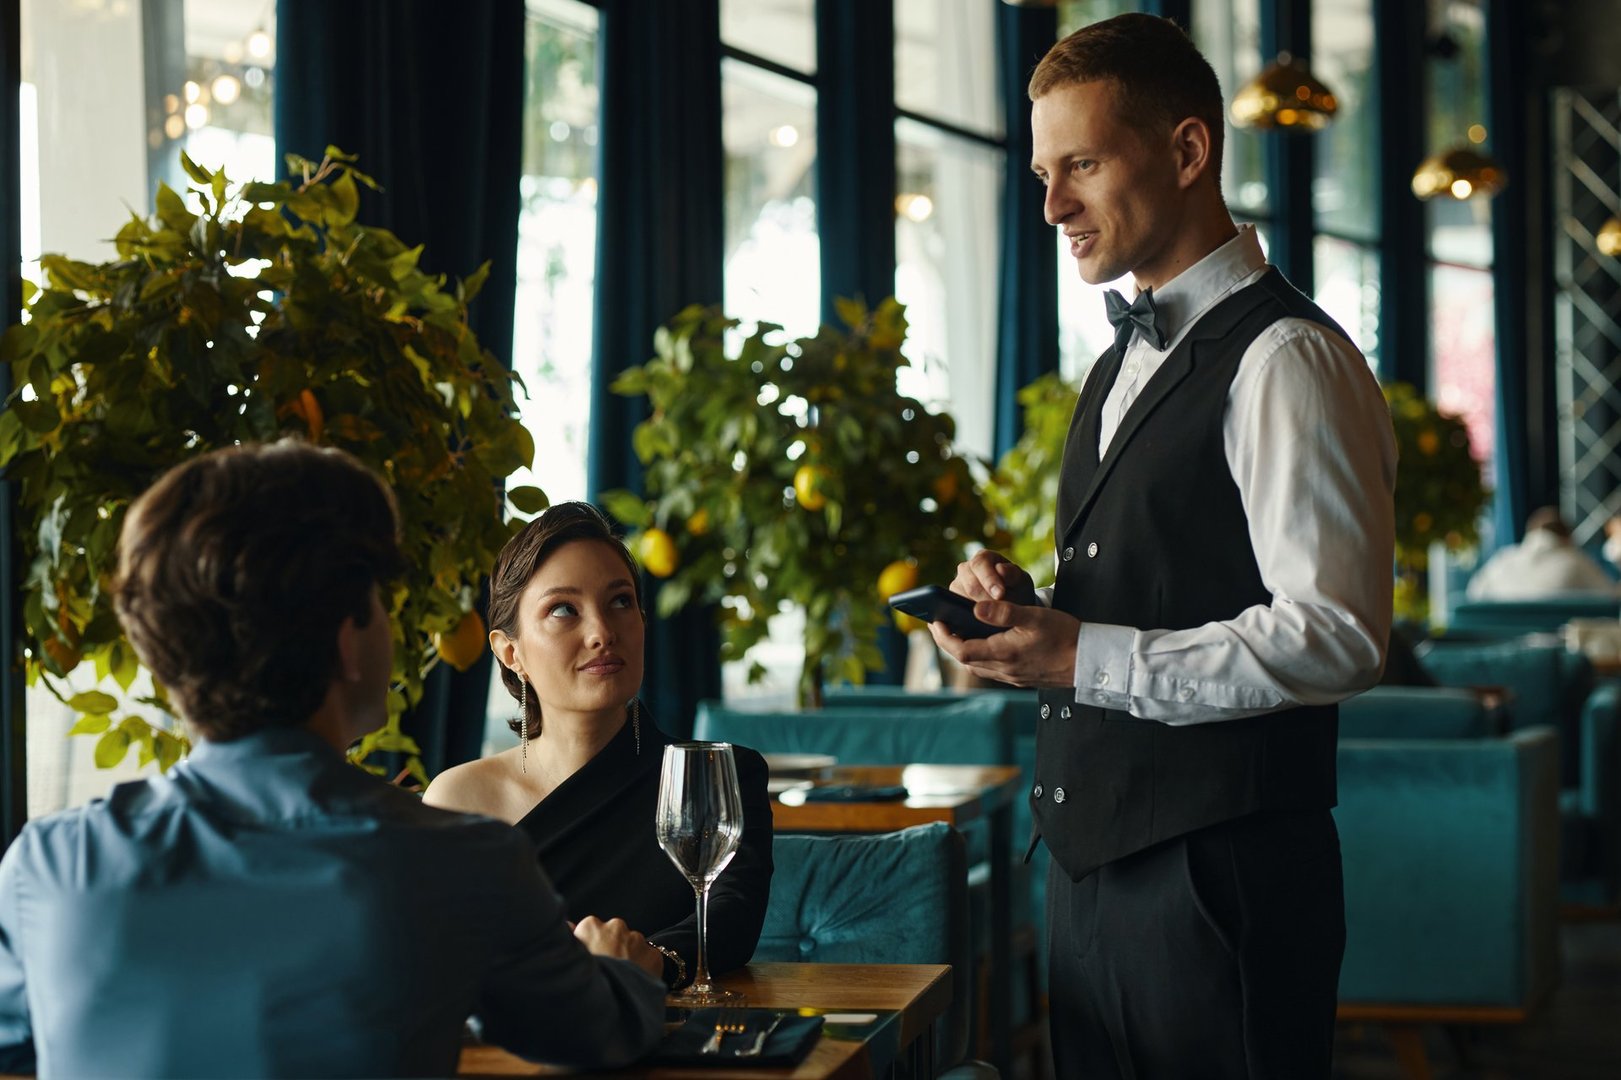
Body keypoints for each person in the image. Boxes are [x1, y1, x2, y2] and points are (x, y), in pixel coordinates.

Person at [928, 14, 1396, 1079]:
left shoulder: (1286, 359)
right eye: (1045, 172)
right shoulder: (1118, 359)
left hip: (1217, 881)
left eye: (1082, 164)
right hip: (1092, 876)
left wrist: (1076, 654)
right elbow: (1158, 575)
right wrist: (1021, 609)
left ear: (1188, 152)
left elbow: (1336, 637)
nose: (1050, 206)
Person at [0, 443, 667, 1078]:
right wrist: (626, 974)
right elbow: (597, 1033)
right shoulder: (463, 864)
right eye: (378, 601)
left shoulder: (51, 866)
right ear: (349, 639)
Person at [424, 502, 772, 991]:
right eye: (563, 609)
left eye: (621, 602)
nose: (603, 633)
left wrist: (651, 960)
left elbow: (732, 916)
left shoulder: (717, 774)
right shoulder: (457, 800)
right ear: (510, 652)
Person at [1466, 506, 1617, 600]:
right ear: (1567, 538)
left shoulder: (1501, 560)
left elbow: (1472, 595)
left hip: (1495, 646)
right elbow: (1611, 597)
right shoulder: (1576, 561)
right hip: (1557, 648)